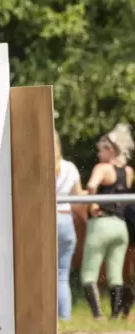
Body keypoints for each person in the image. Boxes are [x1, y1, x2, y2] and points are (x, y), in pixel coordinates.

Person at [80, 123, 135, 319]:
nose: (98, 155)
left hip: (101, 224)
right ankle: (114, 317)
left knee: (88, 274)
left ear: (110, 150)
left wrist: (90, 201)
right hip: (120, 227)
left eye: (100, 150)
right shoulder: (128, 172)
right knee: (115, 276)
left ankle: (97, 316)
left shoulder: (102, 168)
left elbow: (92, 187)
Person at [54, 129, 84, 321]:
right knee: (62, 274)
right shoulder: (70, 167)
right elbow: (78, 198)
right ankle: (64, 318)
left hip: (47, 219)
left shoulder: (40, 164)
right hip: (66, 220)